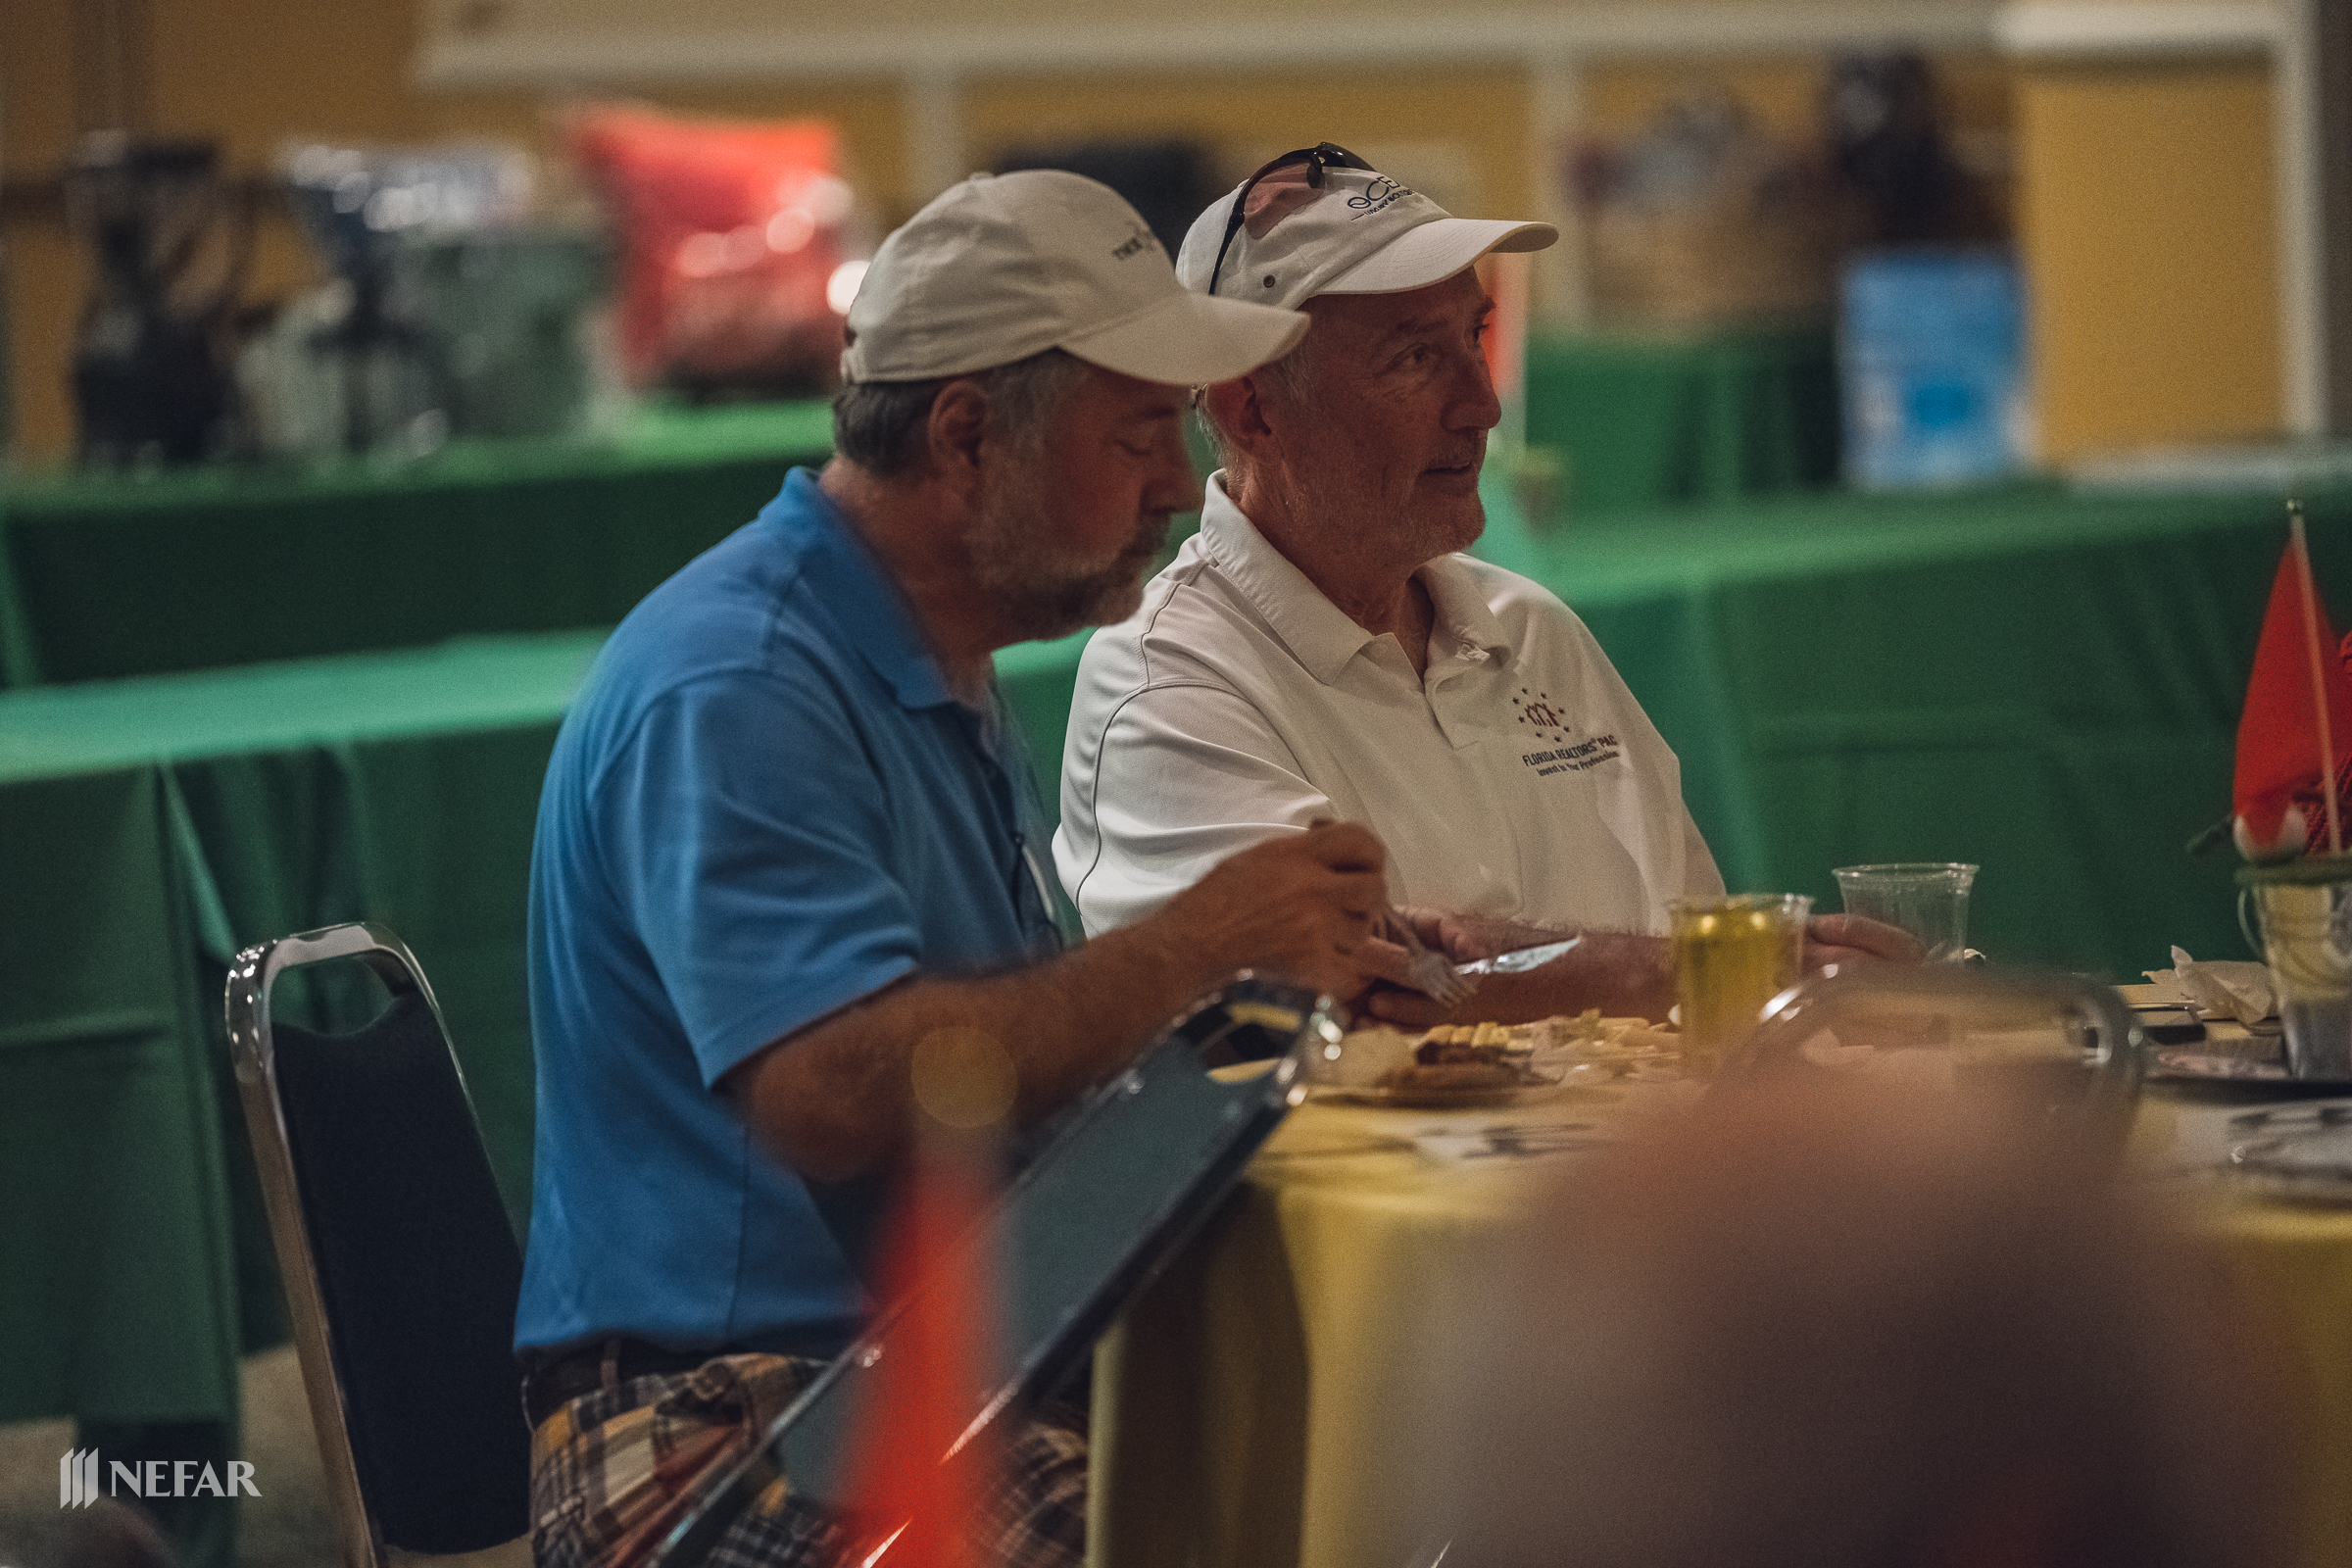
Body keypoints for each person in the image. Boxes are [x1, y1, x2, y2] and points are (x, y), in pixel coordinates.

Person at [515, 170, 1396, 1568]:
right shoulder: (741, 680)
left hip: (919, 1366)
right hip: (723, 1419)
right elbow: (832, 1094)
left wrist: (1291, 974)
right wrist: (1197, 950)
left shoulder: (927, 654)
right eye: (1138, 434)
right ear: (968, 438)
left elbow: (987, 1075)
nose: (1180, 483)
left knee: (1392, 1469)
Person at [1054, 144, 1912, 1024]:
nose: (1482, 403)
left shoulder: (1532, 629)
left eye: (1475, 337)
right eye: (1413, 358)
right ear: (1254, 408)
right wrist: (1704, 970)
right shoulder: (1169, 685)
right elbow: (1337, 992)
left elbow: (1689, 948)